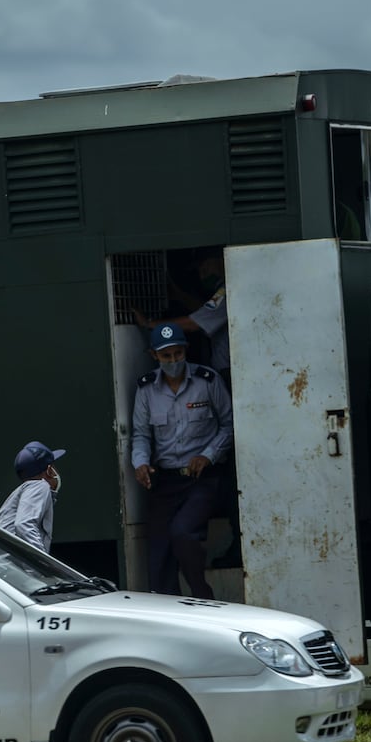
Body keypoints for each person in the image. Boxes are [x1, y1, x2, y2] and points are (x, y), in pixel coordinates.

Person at [131, 322, 233, 598]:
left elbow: (229, 425)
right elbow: (140, 435)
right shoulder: (146, 390)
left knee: (183, 533)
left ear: (185, 351)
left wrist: (208, 455)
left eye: (178, 354)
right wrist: (140, 463)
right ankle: (169, 610)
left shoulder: (207, 381)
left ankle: (202, 595)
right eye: (166, 356)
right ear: (154, 356)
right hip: (165, 481)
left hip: (202, 479)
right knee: (159, 554)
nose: (173, 361)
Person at [132, 247, 229, 386]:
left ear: (221, 259)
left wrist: (148, 323)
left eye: (205, 265)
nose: (202, 273)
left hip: (228, 370)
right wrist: (179, 296)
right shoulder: (225, 290)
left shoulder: (228, 291)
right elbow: (203, 312)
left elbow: (193, 324)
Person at [0, 441, 65, 554]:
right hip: (8, 568)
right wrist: (43, 562)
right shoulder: (40, 486)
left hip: (5, 566)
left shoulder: (25, 490)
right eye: (54, 466)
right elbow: (24, 524)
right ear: (49, 470)